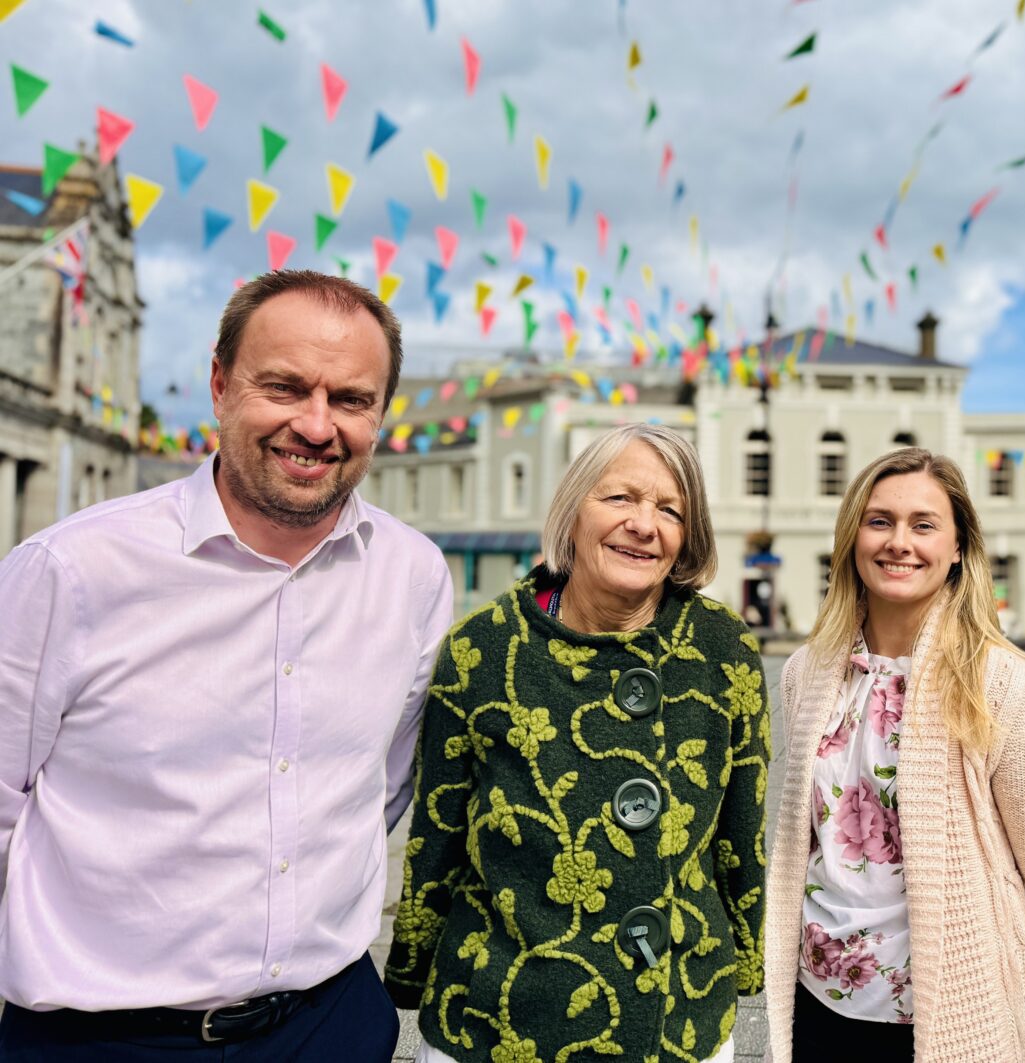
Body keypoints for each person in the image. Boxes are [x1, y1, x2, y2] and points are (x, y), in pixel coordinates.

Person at [0, 270, 454, 1060]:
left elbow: (376, 791)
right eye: (284, 386)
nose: (316, 425)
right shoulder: (69, 570)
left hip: (330, 1025)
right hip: (102, 1039)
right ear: (219, 383)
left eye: (350, 399)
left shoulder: (414, 577)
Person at [384, 424, 769, 1063]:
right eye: (619, 499)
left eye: (669, 510)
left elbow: (741, 836)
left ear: (687, 537)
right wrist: (410, 969)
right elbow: (436, 835)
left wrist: (743, 965)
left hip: (677, 1023)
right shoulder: (483, 648)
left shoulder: (723, 649)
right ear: (572, 513)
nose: (644, 524)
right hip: (494, 1020)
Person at [763, 447, 1025, 1063]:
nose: (899, 543)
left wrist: (997, 996)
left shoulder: (1004, 685)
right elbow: (807, 844)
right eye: (879, 521)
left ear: (959, 547)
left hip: (947, 1030)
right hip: (816, 1009)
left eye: (924, 525)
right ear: (852, 538)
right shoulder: (806, 673)